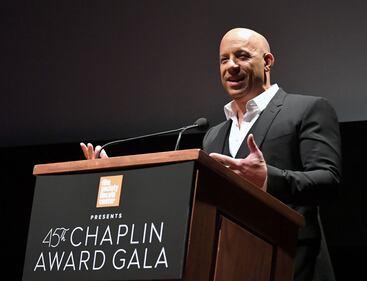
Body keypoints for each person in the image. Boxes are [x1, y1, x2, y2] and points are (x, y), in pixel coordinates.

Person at [203, 27, 341, 281]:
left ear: (267, 62)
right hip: (229, 264)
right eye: (224, 59)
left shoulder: (307, 109)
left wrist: (268, 179)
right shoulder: (213, 135)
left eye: (242, 56)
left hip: (292, 262)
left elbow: (328, 180)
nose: (231, 66)